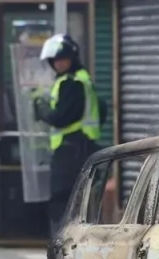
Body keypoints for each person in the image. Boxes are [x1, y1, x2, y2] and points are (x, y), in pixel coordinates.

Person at [33, 33, 105, 237]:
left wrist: (42, 110)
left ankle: (61, 239)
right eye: (55, 60)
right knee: (78, 197)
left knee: (62, 197)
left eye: (63, 59)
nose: (59, 64)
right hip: (81, 147)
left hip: (70, 149)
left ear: (71, 58)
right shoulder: (82, 79)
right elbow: (102, 109)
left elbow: (61, 117)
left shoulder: (71, 83)